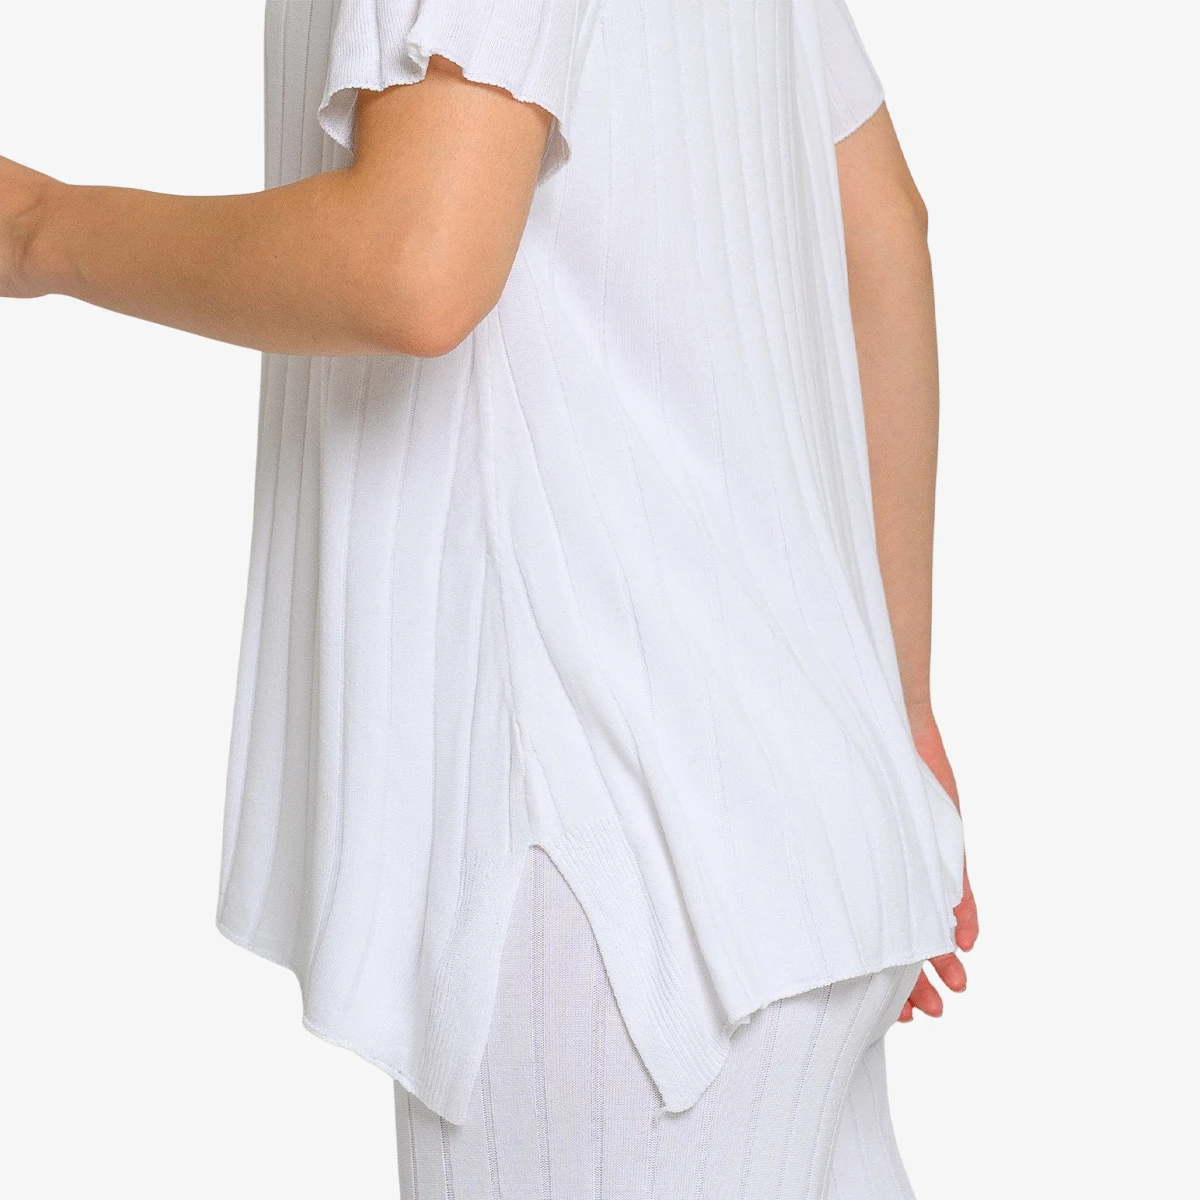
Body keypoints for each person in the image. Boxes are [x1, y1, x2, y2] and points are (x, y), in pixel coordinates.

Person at [0, 0, 979, 1195]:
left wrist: (34, 228)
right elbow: (879, 225)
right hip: (794, 830)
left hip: (606, 889)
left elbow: (415, 264)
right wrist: (898, 712)